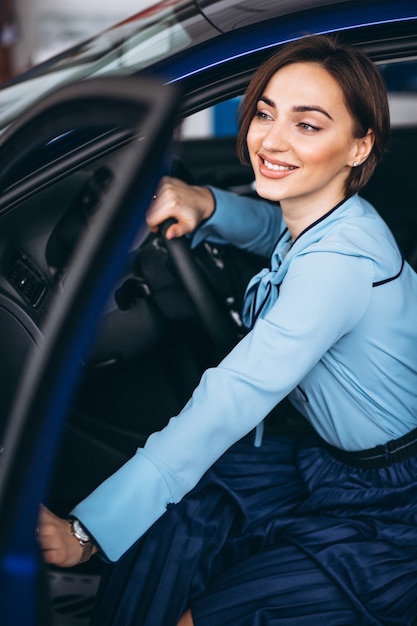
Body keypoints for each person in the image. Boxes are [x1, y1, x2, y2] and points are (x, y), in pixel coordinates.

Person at [38, 34, 417, 625]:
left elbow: (231, 397)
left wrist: (86, 532)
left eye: (308, 125)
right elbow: (277, 233)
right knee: (173, 523)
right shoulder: (334, 219)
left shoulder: (341, 265)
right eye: (265, 112)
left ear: (359, 145)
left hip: (394, 500)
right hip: (329, 461)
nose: (270, 140)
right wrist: (207, 202)